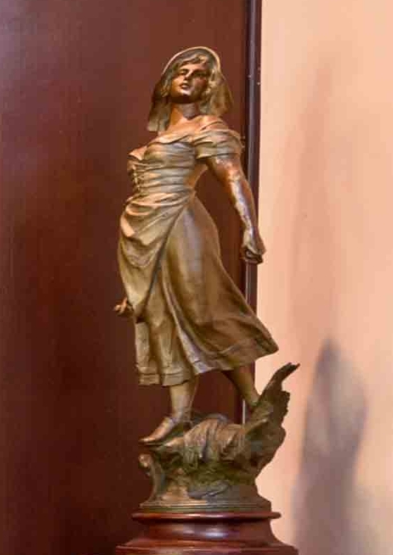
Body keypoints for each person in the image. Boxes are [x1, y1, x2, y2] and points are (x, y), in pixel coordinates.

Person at [114, 46, 277, 441]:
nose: (188, 78)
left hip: (180, 222)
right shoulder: (161, 138)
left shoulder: (207, 128)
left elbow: (232, 177)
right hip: (141, 234)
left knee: (203, 309)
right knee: (162, 317)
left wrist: (250, 228)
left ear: (209, 87)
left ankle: (254, 399)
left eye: (198, 74)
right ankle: (179, 413)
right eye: (181, 72)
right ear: (166, 83)